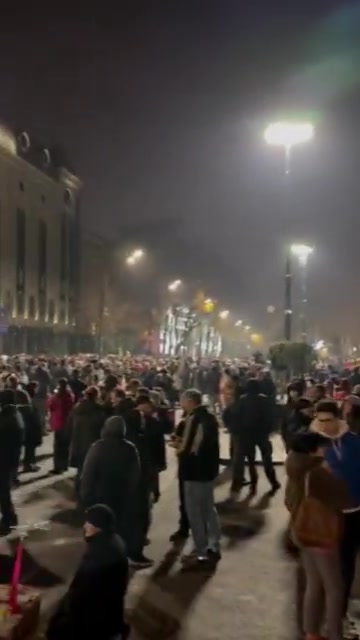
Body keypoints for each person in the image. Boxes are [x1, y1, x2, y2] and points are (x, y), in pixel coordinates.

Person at [285, 431, 352, 640]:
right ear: (314, 450)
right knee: (335, 589)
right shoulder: (317, 472)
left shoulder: (294, 466)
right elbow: (345, 500)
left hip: (302, 530)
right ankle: (334, 634)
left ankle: (311, 632)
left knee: (314, 584)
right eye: (325, 446)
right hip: (321, 534)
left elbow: (289, 501)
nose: (329, 450)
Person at [311, 400, 360, 638]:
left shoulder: (352, 441)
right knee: (331, 573)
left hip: (356, 511)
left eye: (329, 420)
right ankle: (332, 621)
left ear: (338, 418)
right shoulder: (313, 445)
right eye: (320, 420)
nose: (325, 425)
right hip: (329, 516)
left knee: (348, 565)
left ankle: (341, 616)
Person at [46, 504, 130, 640]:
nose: (85, 526)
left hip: (95, 622)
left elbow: (82, 595)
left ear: (98, 527)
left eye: (89, 522)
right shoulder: (113, 541)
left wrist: (62, 617)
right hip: (111, 616)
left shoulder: (99, 554)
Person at [80, 416, 141, 565]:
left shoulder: (97, 447)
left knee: (100, 529)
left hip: (100, 496)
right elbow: (135, 475)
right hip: (121, 496)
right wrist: (130, 494)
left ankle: (100, 558)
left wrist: (85, 495)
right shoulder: (129, 448)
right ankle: (118, 557)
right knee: (119, 529)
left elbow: (88, 474)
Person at [176, 389, 221, 569]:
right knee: (208, 508)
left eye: (182, 400)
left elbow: (189, 447)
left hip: (194, 471)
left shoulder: (194, 419)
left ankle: (200, 549)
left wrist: (177, 446)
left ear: (190, 401)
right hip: (208, 470)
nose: (181, 403)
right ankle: (213, 543)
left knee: (195, 511)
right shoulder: (209, 418)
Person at [68, 386, 107, 495]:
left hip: (78, 442)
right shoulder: (99, 410)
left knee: (81, 469)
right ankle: (88, 492)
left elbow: (70, 424)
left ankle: (78, 490)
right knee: (92, 470)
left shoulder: (77, 408)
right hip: (93, 443)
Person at [0, 390, 23, 535]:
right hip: (9, 459)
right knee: (4, 491)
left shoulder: (8, 419)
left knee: (3, 491)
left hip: (4, 459)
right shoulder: (14, 415)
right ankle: (10, 517)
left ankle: (9, 519)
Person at [47, 378, 74, 474]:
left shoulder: (57, 396)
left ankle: (57, 467)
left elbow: (50, 406)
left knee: (58, 446)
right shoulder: (69, 395)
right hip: (66, 422)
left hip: (58, 422)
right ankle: (65, 465)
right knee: (65, 445)